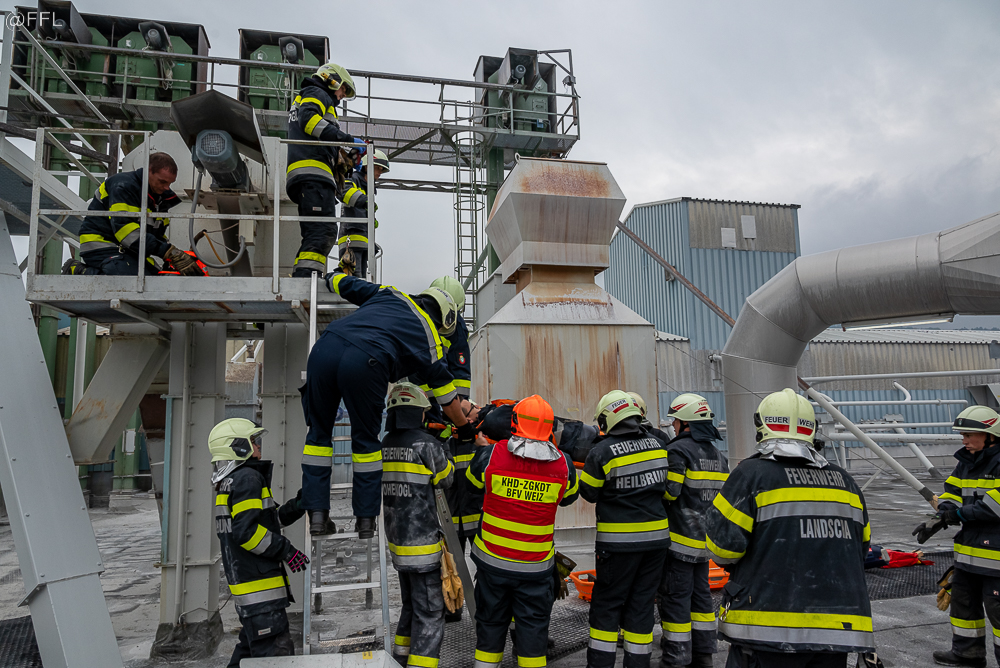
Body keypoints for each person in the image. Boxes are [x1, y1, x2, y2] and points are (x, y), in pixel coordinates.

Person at [301, 272, 477, 540]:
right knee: (365, 441)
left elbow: (348, 285)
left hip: (323, 350)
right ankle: (365, 520)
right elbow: (448, 399)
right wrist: (464, 429)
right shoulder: (429, 337)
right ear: (446, 319)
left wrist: (331, 276)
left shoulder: (391, 294)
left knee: (317, 437)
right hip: (365, 361)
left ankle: (317, 515)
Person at [706, 388, 874, 668]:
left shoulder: (750, 475)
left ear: (762, 427)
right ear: (811, 429)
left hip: (765, 631)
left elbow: (722, 550)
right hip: (838, 632)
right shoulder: (846, 482)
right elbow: (862, 548)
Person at [466, 395, 579, 668]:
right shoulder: (564, 465)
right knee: (533, 635)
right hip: (535, 570)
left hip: (493, 565)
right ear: (550, 427)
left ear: (514, 423)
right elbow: (569, 497)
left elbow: (472, 484)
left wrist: (484, 451)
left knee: (490, 628)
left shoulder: (491, 456)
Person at [208, 418, 310, 666]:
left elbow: (268, 521)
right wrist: (287, 551)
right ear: (237, 446)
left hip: (250, 594)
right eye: (252, 441)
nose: (258, 445)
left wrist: (300, 504)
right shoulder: (248, 479)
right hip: (261, 594)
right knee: (275, 658)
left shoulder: (229, 481)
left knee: (247, 654)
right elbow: (247, 533)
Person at [580, 390, 671, 668]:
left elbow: (589, 493)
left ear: (608, 419)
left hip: (618, 545)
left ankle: (600, 664)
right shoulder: (659, 445)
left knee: (607, 605)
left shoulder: (601, 452)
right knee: (641, 605)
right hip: (657, 542)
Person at [381, 383, 455, 668]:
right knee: (430, 612)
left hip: (398, 546)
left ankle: (401, 658)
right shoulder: (426, 444)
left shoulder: (386, 443)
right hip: (423, 547)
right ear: (417, 413)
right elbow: (446, 479)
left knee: (410, 605)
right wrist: (443, 445)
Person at [924, 405, 1000, 668]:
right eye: (963, 435)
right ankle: (967, 655)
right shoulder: (966, 462)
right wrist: (940, 516)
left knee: (998, 612)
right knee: (963, 605)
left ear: (990, 434)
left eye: (969, 435)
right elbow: (951, 494)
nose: (964, 440)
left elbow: (993, 508)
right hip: (968, 555)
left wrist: (954, 515)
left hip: (996, 560)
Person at [658, 393, 728, 668]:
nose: (673, 426)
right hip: (704, 544)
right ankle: (704, 655)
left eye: (675, 421)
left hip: (678, 544)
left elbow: (670, 492)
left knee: (676, 600)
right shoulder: (718, 456)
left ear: (685, 423)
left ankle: (675, 659)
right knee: (701, 600)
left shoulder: (678, 451)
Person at [285, 62, 366, 278]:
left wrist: (346, 159)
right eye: (343, 89)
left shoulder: (312, 95)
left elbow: (319, 138)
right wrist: (347, 139)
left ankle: (307, 277)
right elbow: (309, 121)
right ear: (331, 80)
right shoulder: (317, 92)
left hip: (311, 175)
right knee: (321, 232)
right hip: (313, 175)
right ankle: (305, 280)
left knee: (320, 232)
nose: (342, 95)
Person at [63, 152, 199, 276]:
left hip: (129, 250)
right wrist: (168, 252)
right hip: (102, 246)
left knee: (157, 280)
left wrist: (173, 256)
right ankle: (79, 271)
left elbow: (157, 234)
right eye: (162, 181)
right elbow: (126, 232)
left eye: (170, 183)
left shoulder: (159, 198)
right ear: (148, 171)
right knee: (131, 280)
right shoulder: (123, 186)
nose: (166, 187)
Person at [412, 275, 473, 424]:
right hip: (435, 391)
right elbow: (460, 372)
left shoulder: (416, 318)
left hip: (420, 392)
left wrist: (458, 406)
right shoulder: (457, 327)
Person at [338, 149, 389, 278]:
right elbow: (343, 191)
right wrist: (366, 202)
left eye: (381, 170)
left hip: (363, 241)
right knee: (353, 280)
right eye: (377, 168)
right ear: (366, 166)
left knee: (361, 280)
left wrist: (371, 219)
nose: (379, 172)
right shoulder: (353, 178)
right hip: (351, 238)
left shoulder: (368, 187)